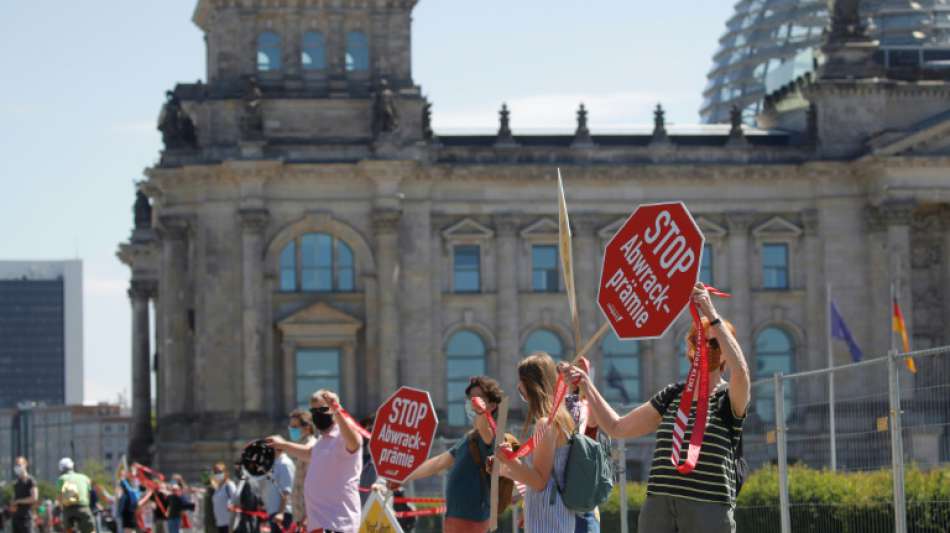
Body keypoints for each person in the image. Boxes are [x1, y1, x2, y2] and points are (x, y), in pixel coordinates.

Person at [563, 283, 751, 533]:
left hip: (708, 507)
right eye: (698, 341)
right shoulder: (672, 395)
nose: (704, 347)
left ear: (727, 353)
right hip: (658, 508)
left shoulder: (728, 398)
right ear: (689, 348)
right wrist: (587, 384)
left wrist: (709, 311)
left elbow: (741, 372)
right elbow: (617, 427)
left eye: (714, 344)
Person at [401, 376, 504, 533]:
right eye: (470, 399)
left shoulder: (492, 435)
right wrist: (403, 475)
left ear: (492, 405)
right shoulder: (469, 437)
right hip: (456, 518)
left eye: (479, 398)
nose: (472, 402)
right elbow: (438, 462)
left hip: (472, 519)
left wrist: (481, 411)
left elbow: (485, 429)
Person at [495, 354, 576, 533]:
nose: (517, 386)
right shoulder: (563, 419)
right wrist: (504, 467)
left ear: (530, 384)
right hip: (557, 517)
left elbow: (539, 481)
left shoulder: (545, 423)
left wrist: (509, 460)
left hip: (548, 520)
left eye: (520, 380)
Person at [266, 390, 362, 533]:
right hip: (318, 524)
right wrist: (282, 445)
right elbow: (309, 453)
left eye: (323, 409)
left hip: (338, 523)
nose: (317, 414)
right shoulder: (322, 440)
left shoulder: (344, 435)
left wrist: (337, 411)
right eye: (314, 410)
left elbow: (354, 443)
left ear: (335, 408)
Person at [56, 458, 95, 533]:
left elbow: (59, 498)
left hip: (68, 510)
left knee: (68, 529)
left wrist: (62, 511)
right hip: (83, 508)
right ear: (72, 466)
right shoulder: (85, 477)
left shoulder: (61, 479)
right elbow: (88, 495)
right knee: (90, 530)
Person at [262, 443, 294, 533]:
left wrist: (281, 512)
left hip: (282, 514)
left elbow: (286, 491)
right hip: (274, 512)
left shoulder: (284, 464)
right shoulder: (276, 464)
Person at [10, 457, 38, 533]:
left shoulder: (31, 480)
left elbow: (34, 498)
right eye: (16, 465)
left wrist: (18, 501)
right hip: (15, 518)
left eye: (19, 464)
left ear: (25, 465)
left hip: (26, 518)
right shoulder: (16, 483)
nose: (17, 467)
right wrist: (12, 503)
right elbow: (14, 498)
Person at [210, 463, 236, 533]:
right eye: (215, 472)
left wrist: (231, 504)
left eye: (220, 472)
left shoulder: (229, 485)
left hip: (229, 523)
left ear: (225, 472)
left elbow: (235, 499)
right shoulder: (217, 488)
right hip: (220, 522)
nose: (218, 474)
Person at [117, 468, 141, 533]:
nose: (133, 475)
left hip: (135, 510)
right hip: (127, 510)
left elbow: (138, 495)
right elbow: (119, 493)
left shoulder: (136, 483)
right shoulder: (123, 482)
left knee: (134, 529)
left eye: (134, 474)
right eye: (132, 473)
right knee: (128, 529)